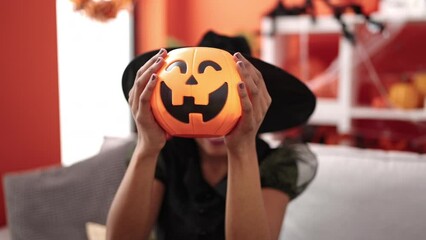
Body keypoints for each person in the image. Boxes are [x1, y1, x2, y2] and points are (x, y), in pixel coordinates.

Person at [106, 31, 318, 240]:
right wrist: (147, 146)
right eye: (197, 97)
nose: (214, 120)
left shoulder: (274, 164)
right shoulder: (166, 157)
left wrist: (241, 149)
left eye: (223, 98)